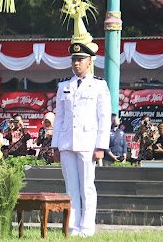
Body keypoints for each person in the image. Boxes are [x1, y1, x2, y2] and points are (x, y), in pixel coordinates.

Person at [51, 42, 111, 237]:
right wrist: (56, 145)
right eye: (74, 60)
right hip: (67, 141)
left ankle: (87, 228)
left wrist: (101, 145)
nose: (76, 63)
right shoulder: (64, 85)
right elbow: (59, 117)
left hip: (88, 142)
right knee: (71, 187)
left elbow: (104, 116)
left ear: (89, 61)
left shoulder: (99, 85)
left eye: (80, 59)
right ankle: (72, 226)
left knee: (87, 186)